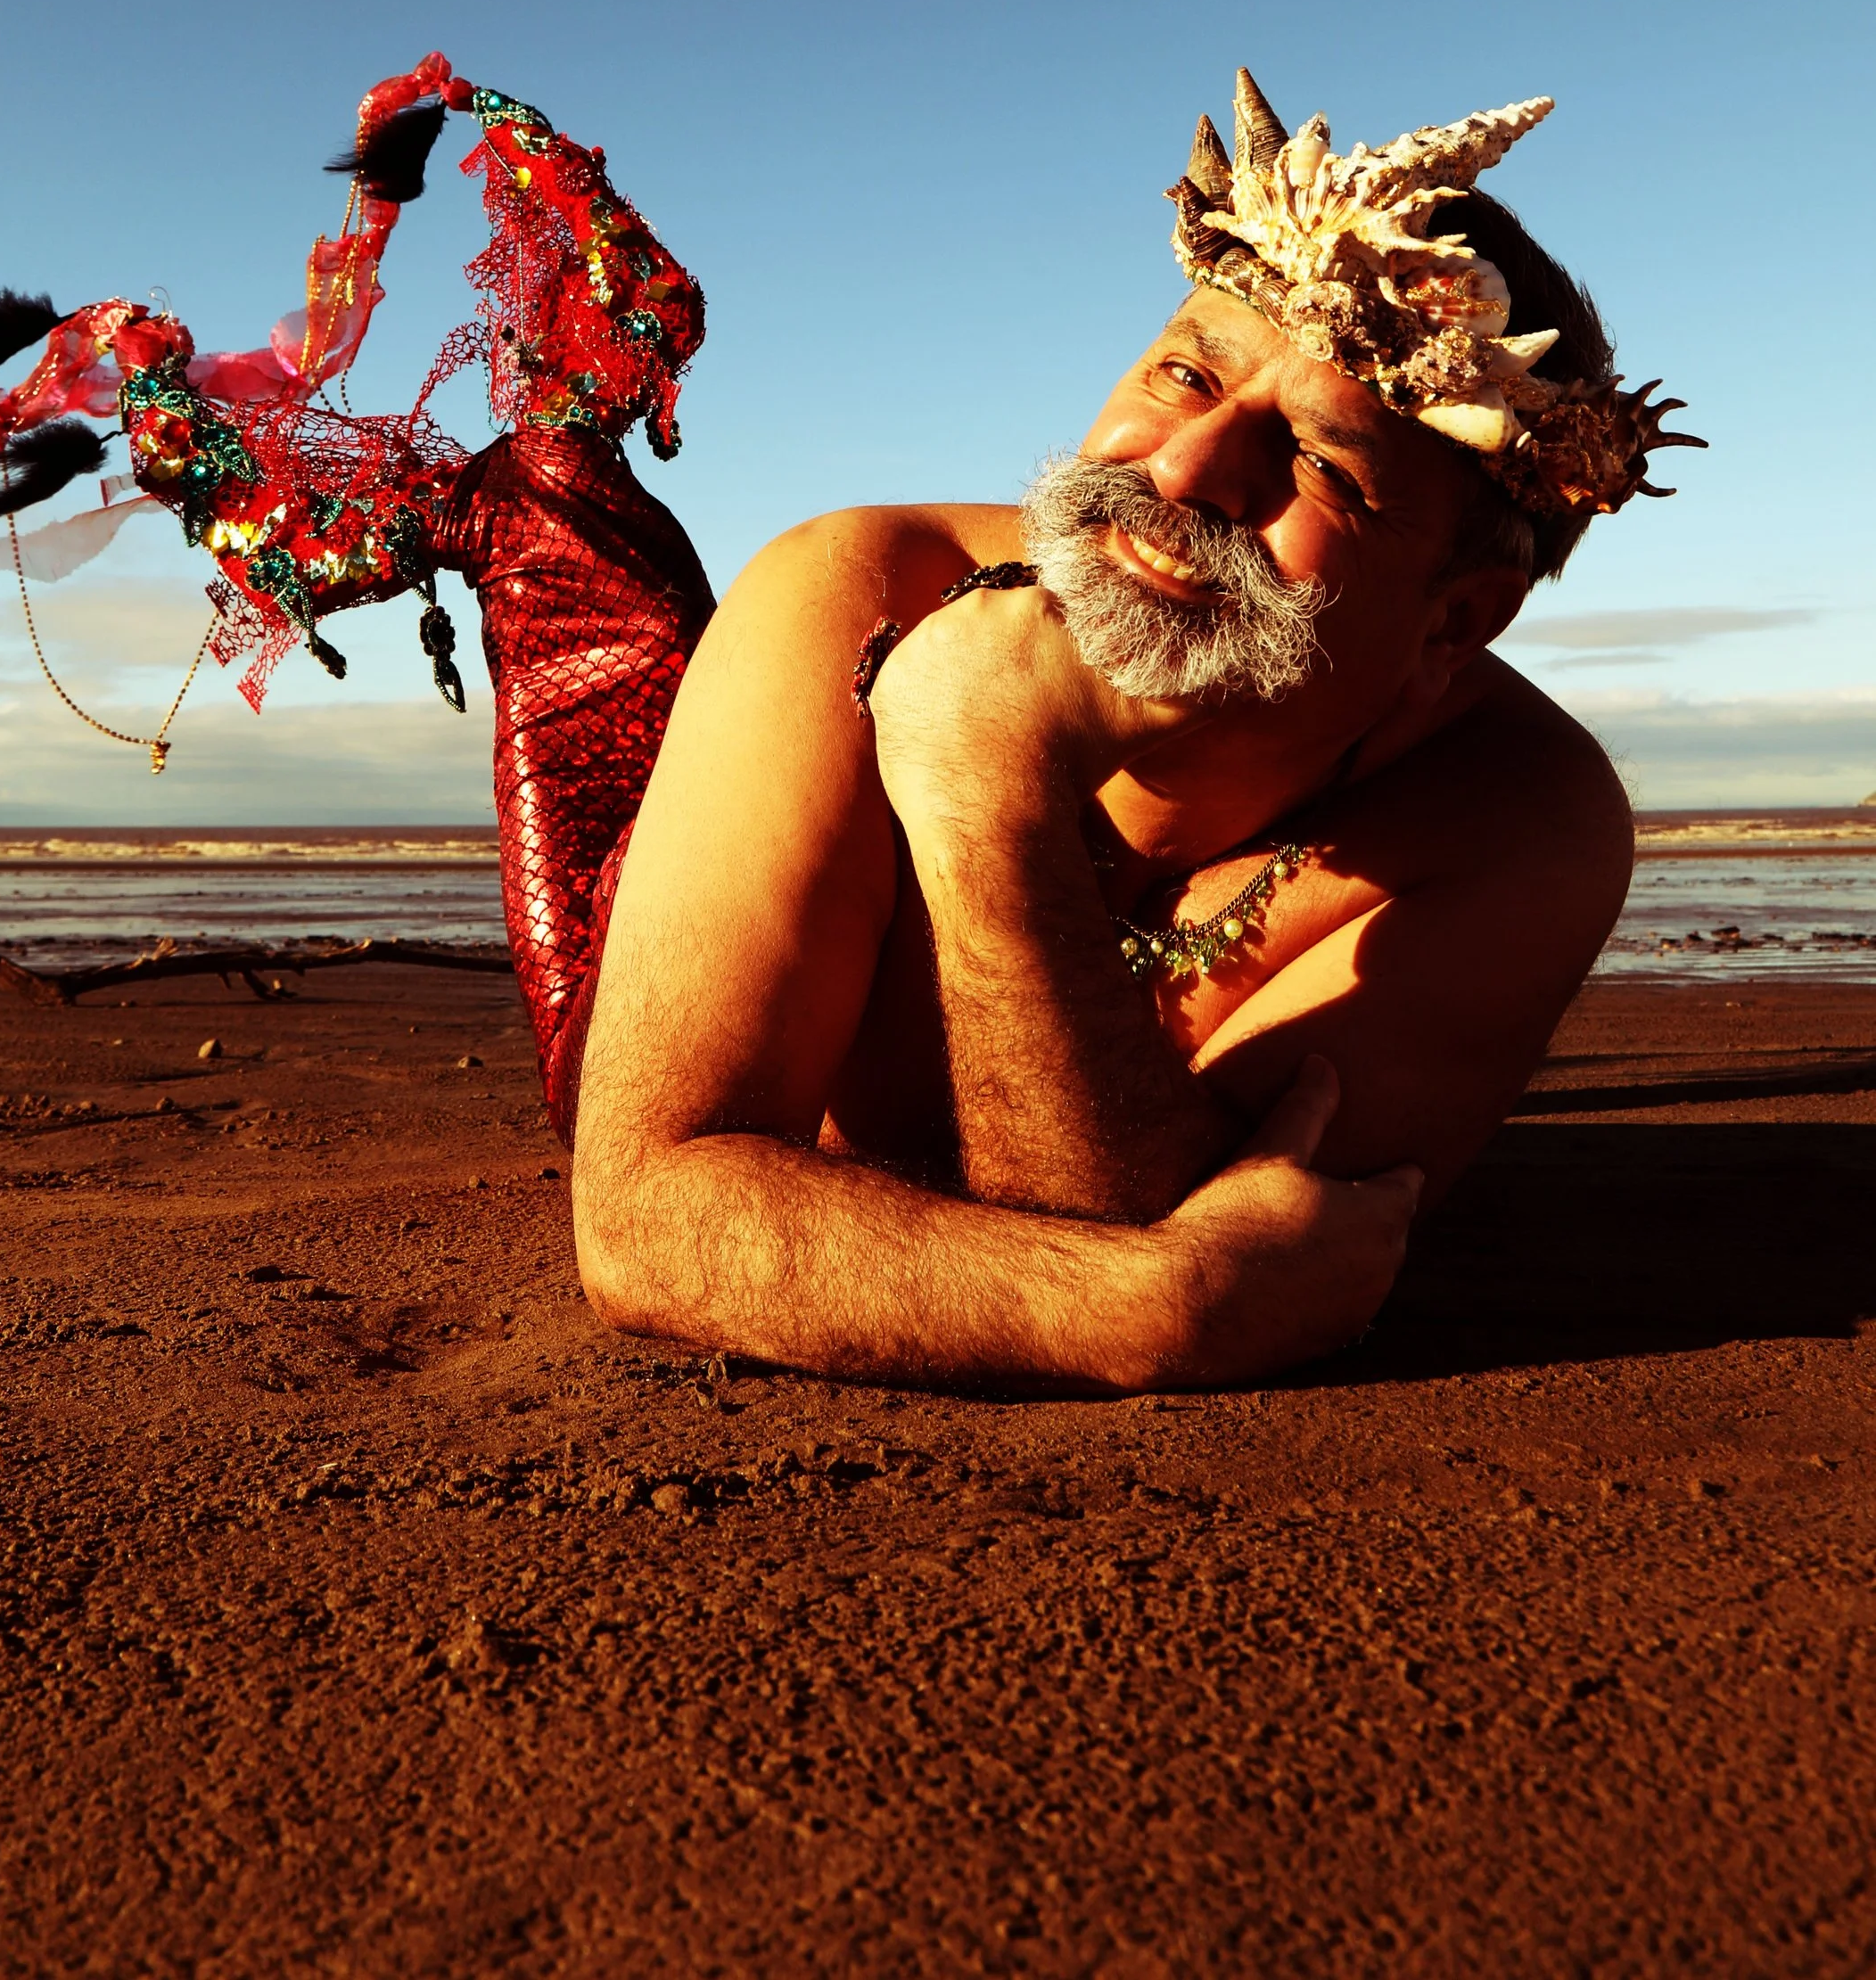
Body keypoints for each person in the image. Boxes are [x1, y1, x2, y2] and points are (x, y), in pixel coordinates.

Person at [566, 70, 1699, 1394]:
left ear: (1456, 622)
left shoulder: (1519, 827)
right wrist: (1151, 1310)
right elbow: (645, 1213)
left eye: (1323, 465)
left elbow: (1147, 1214)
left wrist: (989, 788)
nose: (1182, 468)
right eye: (1183, 372)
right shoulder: (853, 598)